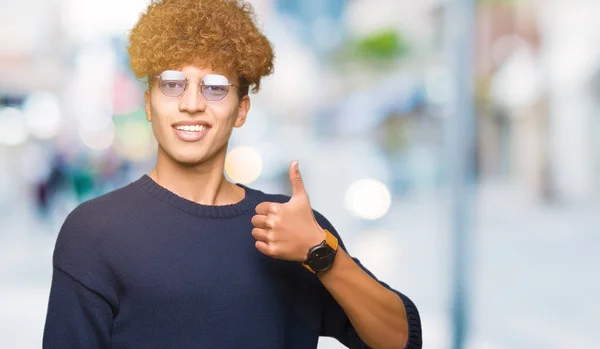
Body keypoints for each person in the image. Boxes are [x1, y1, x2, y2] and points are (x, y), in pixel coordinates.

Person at [42, 0, 422, 348]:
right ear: (148, 103)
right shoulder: (94, 233)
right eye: (173, 84)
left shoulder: (289, 228)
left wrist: (321, 253)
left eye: (215, 88)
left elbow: (400, 340)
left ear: (241, 109)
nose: (192, 104)